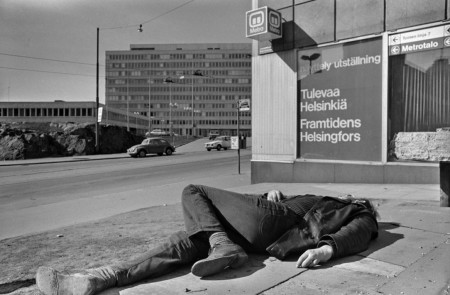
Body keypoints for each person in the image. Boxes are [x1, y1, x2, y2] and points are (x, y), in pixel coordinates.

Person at [36, 184, 379, 295]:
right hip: (260, 232)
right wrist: (272, 193)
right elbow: (252, 207)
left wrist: (328, 249)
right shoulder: (314, 200)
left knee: (193, 191)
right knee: (184, 241)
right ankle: (99, 278)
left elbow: (360, 231)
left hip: (275, 225)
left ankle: (221, 242)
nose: (347, 194)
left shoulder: (356, 210)